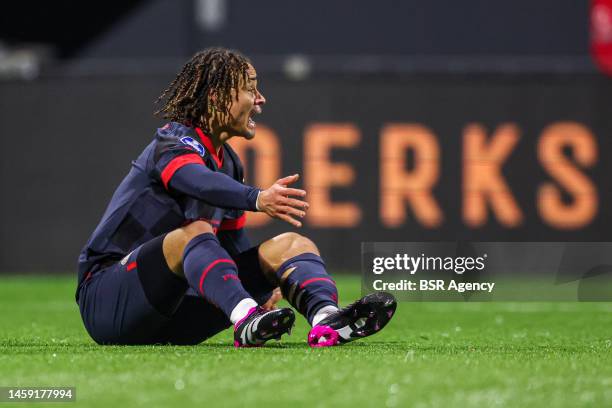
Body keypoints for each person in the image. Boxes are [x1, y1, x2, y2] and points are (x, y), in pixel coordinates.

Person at [76, 47, 396, 347]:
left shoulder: (229, 163)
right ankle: (245, 318)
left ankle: (327, 321)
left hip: (175, 314)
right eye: (251, 89)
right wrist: (257, 198)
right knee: (194, 234)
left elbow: (233, 245)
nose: (260, 99)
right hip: (108, 300)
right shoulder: (172, 142)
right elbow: (196, 180)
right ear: (219, 97)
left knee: (293, 245)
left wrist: (263, 287)